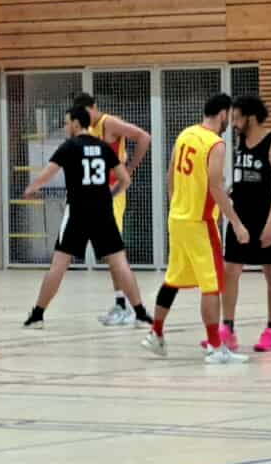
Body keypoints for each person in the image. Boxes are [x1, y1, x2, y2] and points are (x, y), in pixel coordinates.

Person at [19, 106, 152, 327]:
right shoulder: (103, 146)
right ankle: (140, 313)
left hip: (77, 212)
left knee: (58, 265)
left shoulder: (69, 146)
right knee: (120, 263)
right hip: (103, 211)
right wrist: (110, 195)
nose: (65, 127)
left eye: (67, 122)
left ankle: (37, 315)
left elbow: (48, 173)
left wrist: (32, 188)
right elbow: (125, 180)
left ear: (76, 123)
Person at [142, 93, 251, 364]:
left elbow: (170, 173)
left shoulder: (186, 134)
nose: (229, 122)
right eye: (229, 116)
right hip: (200, 222)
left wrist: (175, 204)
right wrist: (237, 223)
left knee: (173, 278)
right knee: (211, 285)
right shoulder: (215, 144)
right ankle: (215, 347)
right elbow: (215, 187)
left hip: (178, 219)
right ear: (223, 113)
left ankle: (155, 333)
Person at [75, 93, 153, 326]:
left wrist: (130, 169)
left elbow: (144, 137)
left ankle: (130, 307)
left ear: (94, 107)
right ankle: (120, 304)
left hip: (114, 193)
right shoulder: (89, 129)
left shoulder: (109, 123)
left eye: (86, 113)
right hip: (98, 194)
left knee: (115, 251)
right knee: (110, 253)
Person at [221, 94, 271, 353]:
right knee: (230, 269)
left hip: (265, 214)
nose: (233, 123)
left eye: (237, 118)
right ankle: (228, 328)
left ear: (252, 117)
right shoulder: (240, 142)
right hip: (240, 213)